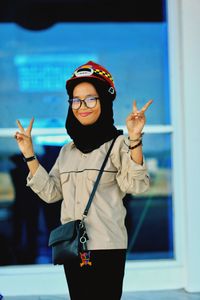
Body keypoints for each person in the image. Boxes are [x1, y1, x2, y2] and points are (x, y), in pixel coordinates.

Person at [14, 61, 153, 300]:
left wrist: (135, 138)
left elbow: (136, 185)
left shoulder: (119, 145)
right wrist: (29, 153)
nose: (82, 106)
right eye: (76, 100)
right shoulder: (67, 151)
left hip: (107, 245)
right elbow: (51, 193)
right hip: (73, 245)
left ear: (104, 101)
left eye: (90, 99)